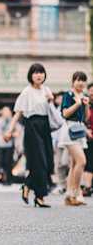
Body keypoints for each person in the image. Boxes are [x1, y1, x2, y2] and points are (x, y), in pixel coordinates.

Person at [4, 63, 54, 208]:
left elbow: (52, 112)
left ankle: (27, 185)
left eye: (41, 72)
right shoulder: (27, 92)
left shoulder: (47, 90)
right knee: (40, 162)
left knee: (48, 162)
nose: (39, 75)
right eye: (35, 72)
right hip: (32, 127)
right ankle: (40, 197)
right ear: (30, 76)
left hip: (45, 127)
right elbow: (18, 113)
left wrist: (51, 100)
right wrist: (9, 130)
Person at [58, 71, 90, 206]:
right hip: (70, 130)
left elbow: (86, 118)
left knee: (74, 164)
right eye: (78, 80)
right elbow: (65, 114)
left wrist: (86, 105)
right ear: (73, 82)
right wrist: (77, 104)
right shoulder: (68, 95)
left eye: (83, 80)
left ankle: (69, 196)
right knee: (81, 161)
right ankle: (75, 193)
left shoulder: (84, 96)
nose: (81, 83)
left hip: (79, 130)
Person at [0, 107, 14, 186]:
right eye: (6, 111)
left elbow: (16, 130)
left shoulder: (11, 120)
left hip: (8, 145)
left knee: (8, 163)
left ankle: (8, 179)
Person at [83, 83, 93, 197]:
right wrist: (86, 131)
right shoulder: (85, 104)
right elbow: (82, 120)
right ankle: (88, 187)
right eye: (91, 90)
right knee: (88, 162)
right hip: (89, 137)